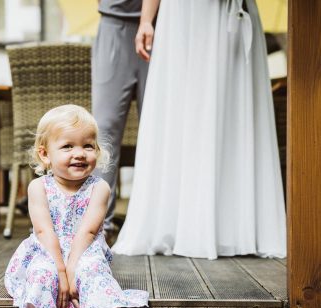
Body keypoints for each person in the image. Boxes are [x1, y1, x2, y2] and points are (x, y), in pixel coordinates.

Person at [113, 0, 286, 259]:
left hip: (227, 14)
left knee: (230, 108)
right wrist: (146, 20)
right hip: (182, 15)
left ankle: (234, 227)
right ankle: (177, 223)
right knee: (184, 105)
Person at [4, 105, 148, 308]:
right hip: (48, 250)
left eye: (88, 145)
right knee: (40, 273)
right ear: (45, 155)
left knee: (92, 270)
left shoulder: (99, 187)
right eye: (68, 146)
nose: (79, 153)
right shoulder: (38, 187)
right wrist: (60, 269)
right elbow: (44, 232)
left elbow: (88, 232)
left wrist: (72, 268)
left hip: (85, 249)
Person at [92, 0, 149, 237]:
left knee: (161, 131)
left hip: (163, 28)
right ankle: (99, 222)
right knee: (104, 130)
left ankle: (155, 219)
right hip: (113, 24)